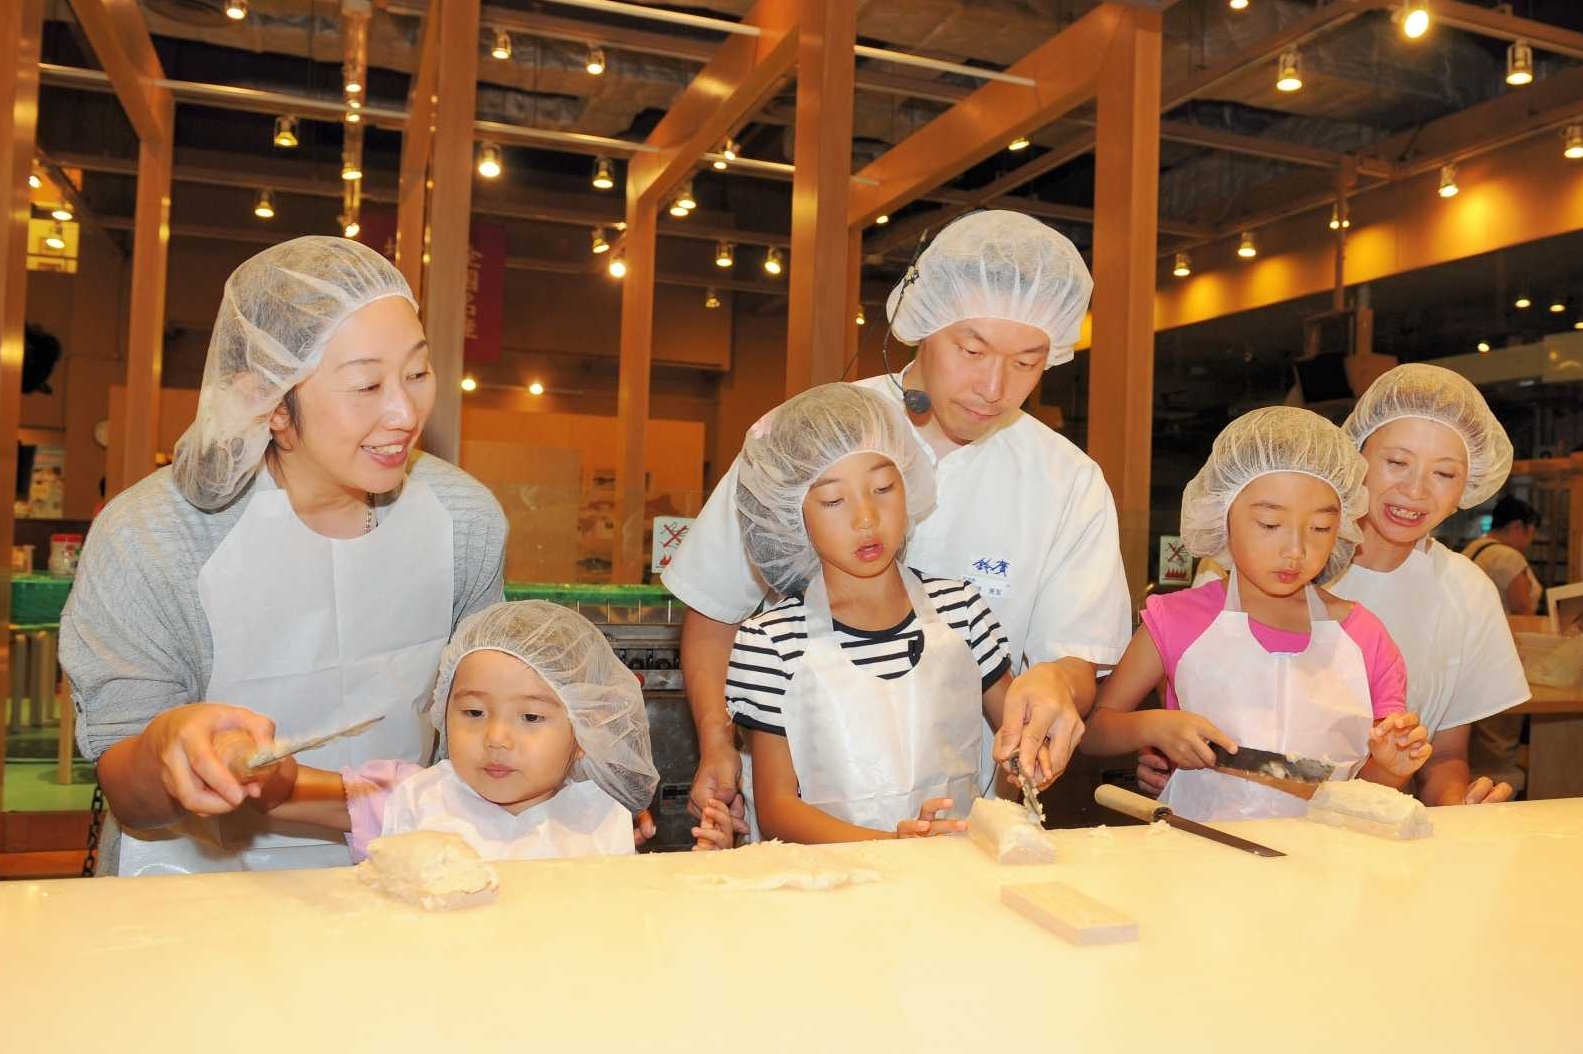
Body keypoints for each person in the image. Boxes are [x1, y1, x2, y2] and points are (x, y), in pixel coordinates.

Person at [664, 211, 1131, 835]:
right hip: (804, 827)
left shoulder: (1066, 481)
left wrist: (1053, 685)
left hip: (961, 831)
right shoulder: (808, 434)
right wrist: (719, 741)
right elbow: (716, 608)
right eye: (972, 349)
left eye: (1027, 362)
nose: (993, 387)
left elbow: (1075, 662)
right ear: (922, 320)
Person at [59, 236, 508, 875]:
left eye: (416, 373)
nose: (404, 412)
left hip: (401, 868)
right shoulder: (155, 538)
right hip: (191, 890)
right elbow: (131, 796)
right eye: (367, 383)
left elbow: (486, 708)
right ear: (265, 398)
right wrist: (166, 750)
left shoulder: (462, 519)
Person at [1138, 364, 1529, 806]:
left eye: (1444, 474)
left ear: (1468, 486)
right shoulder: (1262, 558)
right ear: (1355, 458)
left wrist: (1459, 805)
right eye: (1396, 462)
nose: (1415, 491)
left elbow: (1444, 755)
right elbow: (1179, 676)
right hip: (1226, 826)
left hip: (1368, 837)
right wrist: (1161, 744)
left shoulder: (1467, 593)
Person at [693, 384, 1015, 846]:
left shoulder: (961, 611)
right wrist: (891, 848)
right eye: (833, 501)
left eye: (884, 488)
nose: (866, 517)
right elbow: (778, 808)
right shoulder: (771, 642)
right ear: (791, 515)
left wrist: (1033, 746)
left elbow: (1018, 738)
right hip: (827, 890)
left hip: (953, 874)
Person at [1081, 408, 1427, 821]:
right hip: (1198, 861)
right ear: (1222, 515)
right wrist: (1155, 727)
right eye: (1269, 524)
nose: (1295, 550)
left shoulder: (1364, 637)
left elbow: (1369, 794)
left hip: (1329, 868)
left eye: (1319, 529)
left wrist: (1389, 769)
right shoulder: (1174, 620)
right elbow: (1094, 732)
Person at [245, 601, 659, 861]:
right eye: (474, 712)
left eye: (531, 718)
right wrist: (249, 771)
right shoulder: (408, 796)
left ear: (586, 732)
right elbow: (284, 794)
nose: (496, 737)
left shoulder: (599, 817)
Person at [1461, 494, 1542, 793]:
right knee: (1499, 740)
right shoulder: (1509, 557)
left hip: (1471, 653)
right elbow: (1522, 607)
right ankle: (1500, 793)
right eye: (1531, 532)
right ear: (1519, 526)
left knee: (1475, 736)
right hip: (1501, 654)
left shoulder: (1472, 549)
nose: (1530, 541)